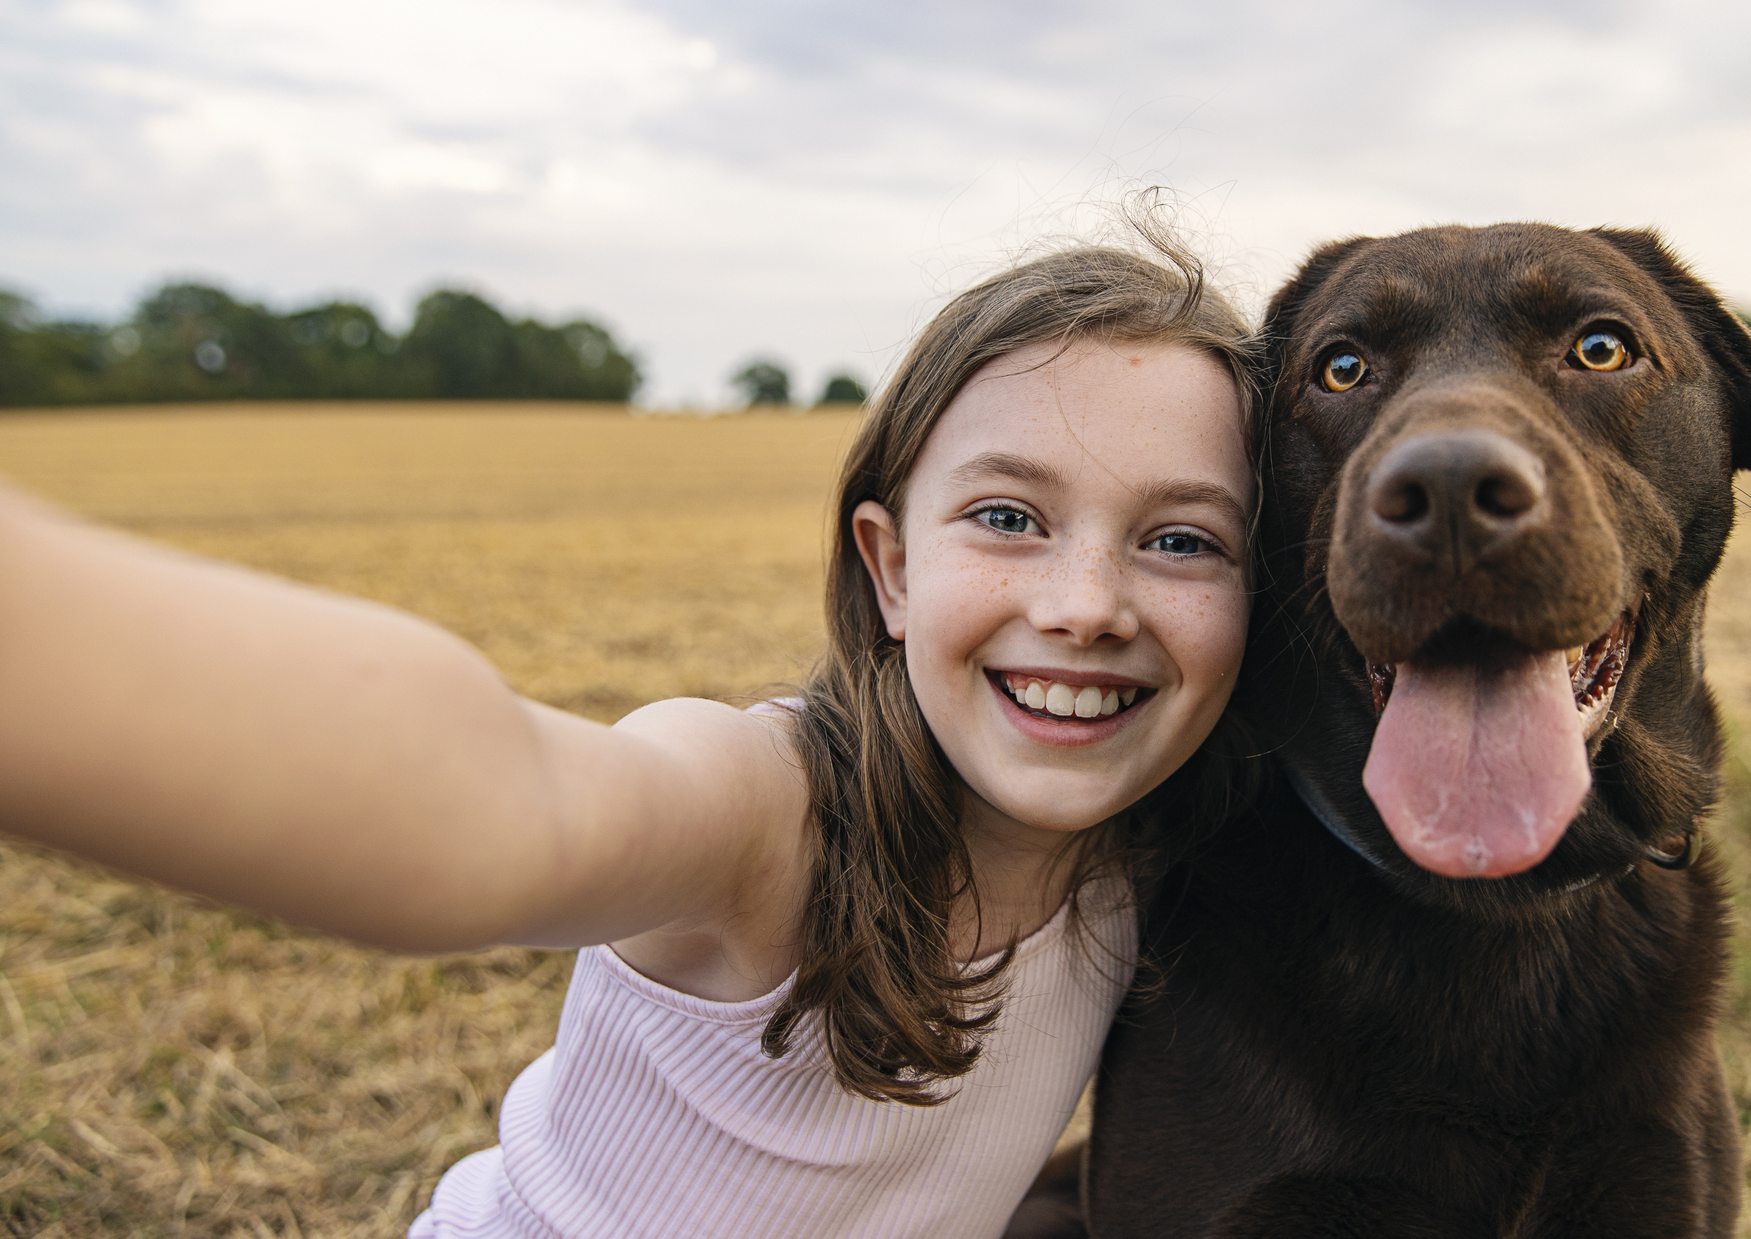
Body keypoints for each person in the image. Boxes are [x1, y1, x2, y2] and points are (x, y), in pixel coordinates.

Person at [0, 244, 1263, 1238]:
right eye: (1007, 516)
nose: (1087, 606)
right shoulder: (767, 813)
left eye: (1182, 540)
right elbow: (503, 803)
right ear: (888, 568)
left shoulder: (1155, 852)